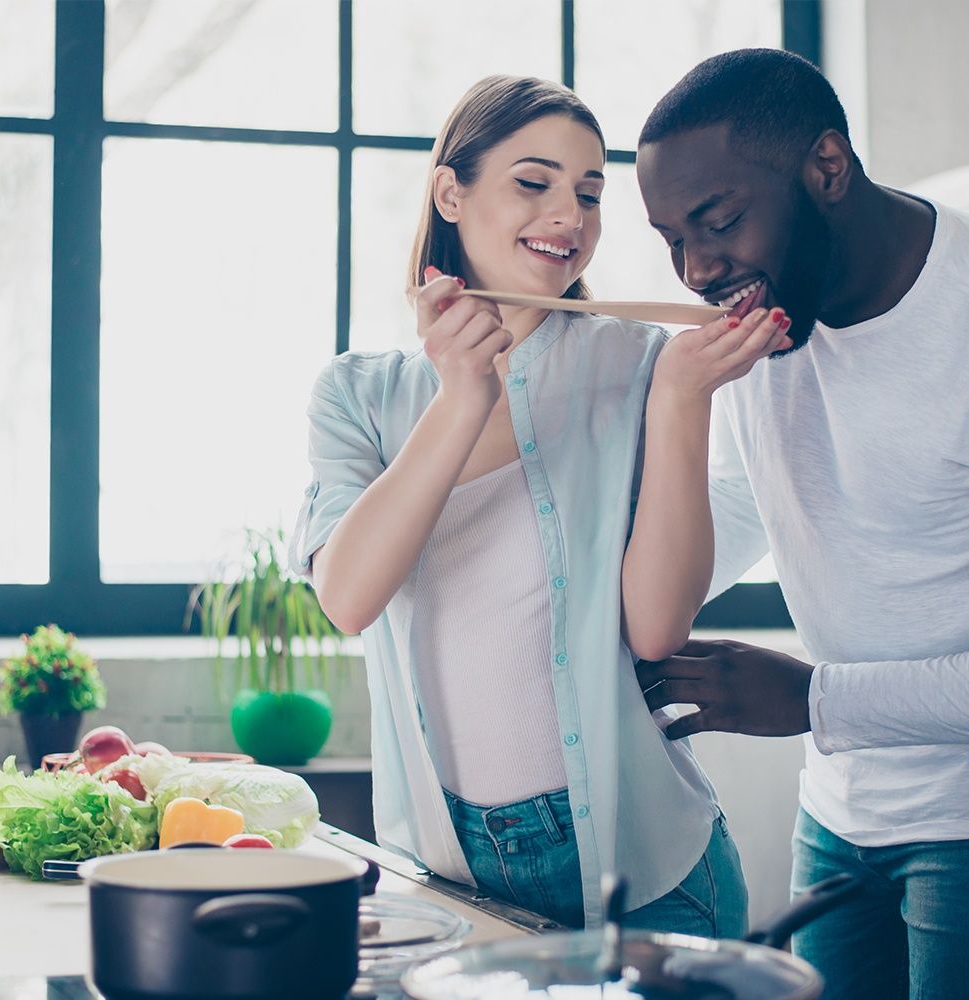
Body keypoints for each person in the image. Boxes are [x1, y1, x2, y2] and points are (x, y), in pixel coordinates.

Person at [631, 49, 969, 998]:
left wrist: (816, 702)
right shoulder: (768, 319)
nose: (696, 271)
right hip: (843, 803)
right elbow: (743, 498)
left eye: (717, 223)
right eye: (670, 238)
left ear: (827, 168)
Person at [291, 75, 789, 932]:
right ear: (452, 191)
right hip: (451, 873)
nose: (570, 216)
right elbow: (347, 597)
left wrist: (679, 400)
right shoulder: (358, 395)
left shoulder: (641, 364)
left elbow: (657, 628)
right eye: (534, 182)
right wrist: (461, 400)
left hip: (651, 874)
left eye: (590, 194)